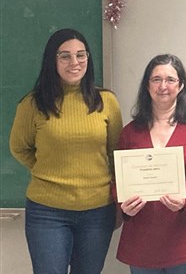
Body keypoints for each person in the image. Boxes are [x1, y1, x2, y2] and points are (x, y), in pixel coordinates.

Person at [9, 28, 123, 273]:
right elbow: (19, 148)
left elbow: (116, 156)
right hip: (47, 212)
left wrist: (118, 201)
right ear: (53, 60)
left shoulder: (107, 102)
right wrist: (48, 170)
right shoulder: (33, 104)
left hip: (97, 212)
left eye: (81, 55)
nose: (75, 62)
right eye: (65, 56)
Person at [115, 54, 186, 273]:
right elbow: (116, 181)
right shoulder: (130, 132)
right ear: (147, 85)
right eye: (156, 79)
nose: (163, 86)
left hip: (183, 236)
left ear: (180, 86)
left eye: (170, 80)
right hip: (142, 239)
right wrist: (122, 204)